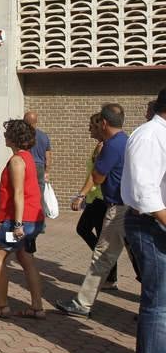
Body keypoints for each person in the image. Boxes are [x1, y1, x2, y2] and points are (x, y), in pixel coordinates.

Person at [57, 103, 128, 318]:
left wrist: (81, 194)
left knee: (102, 255)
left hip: (118, 209)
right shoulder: (127, 140)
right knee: (140, 259)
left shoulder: (111, 145)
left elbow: (98, 176)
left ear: (104, 123)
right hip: (131, 208)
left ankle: (83, 303)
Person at [0, 119, 46, 319]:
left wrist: (17, 225)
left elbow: (18, 194)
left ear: (14, 138)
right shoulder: (27, 157)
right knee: (25, 258)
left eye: (7, 134)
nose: (4, 137)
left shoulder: (17, 161)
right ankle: (37, 307)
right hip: (33, 217)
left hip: (21, 220)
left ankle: (0, 305)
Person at [121, 88, 166, 353]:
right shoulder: (150, 136)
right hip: (150, 225)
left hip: (157, 222)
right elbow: (144, 193)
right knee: (159, 304)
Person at [71, 113, 117, 289]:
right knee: (90, 233)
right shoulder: (98, 146)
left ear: (101, 126)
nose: (89, 128)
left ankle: (109, 276)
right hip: (94, 198)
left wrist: (81, 195)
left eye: (92, 126)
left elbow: (97, 175)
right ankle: (109, 273)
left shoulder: (104, 147)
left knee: (93, 234)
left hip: (101, 199)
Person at [24, 111, 52, 196]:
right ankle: (39, 208)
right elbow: (48, 156)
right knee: (40, 193)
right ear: (36, 122)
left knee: (27, 191)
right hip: (40, 167)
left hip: (28, 165)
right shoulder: (44, 136)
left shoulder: (24, 136)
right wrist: (47, 172)